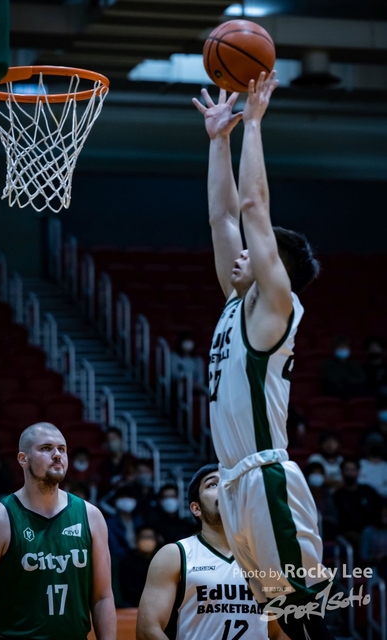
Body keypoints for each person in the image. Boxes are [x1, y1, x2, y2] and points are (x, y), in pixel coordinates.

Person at [192, 73, 335, 639]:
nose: (240, 253)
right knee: (283, 622)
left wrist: (252, 124)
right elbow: (224, 219)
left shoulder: (276, 305)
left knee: (306, 618)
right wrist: (218, 141)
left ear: (275, 266)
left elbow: (252, 207)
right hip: (234, 484)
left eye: (253, 251)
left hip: (265, 479)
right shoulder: (238, 303)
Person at [0, 422, 116, 640]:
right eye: (46, 448)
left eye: (62, 449)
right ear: (23, 459)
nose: (57, 455)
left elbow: (103, 597)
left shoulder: (91, 516)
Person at [137, 464, 286, 640]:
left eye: (230, 484)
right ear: (196, 508)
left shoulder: (268, 557)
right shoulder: (175, 555)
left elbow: (278, 632)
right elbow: (147, 630)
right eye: (212, 484)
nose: (224, 488)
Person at [334, 458, 381, 553]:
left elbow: (379, 511)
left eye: (353, 470)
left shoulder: (368, 491)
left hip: (370, 533)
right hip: (348, 535)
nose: (350, 473)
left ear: (358, 472)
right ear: (342, 472)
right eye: (347, 470)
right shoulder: (337, 495)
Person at [118, 526, 159, 607]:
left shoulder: (161, 561)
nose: (147, 541)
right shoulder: (127, 561)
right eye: (144, 537)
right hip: (132, 606)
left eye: (150, 537)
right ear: (136, 540)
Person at [97, 426, 138, 498]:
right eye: (109, 440)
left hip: (130, 496)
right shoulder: (102, 464)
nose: (112, 442)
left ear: (121, 439)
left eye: (114, 438)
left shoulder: (131, 460)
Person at [303, 462, 338, 540]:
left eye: (319, 473)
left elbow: (333, 516)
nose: (316, 476)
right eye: (314, 473)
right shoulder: (303, 494)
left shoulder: (327, 493)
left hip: (327, 531)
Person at [358, 433, 387, 498]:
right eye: (372, 444)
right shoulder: (359, 464)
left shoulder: (385, 466)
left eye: (378, 444)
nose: (375, 446)